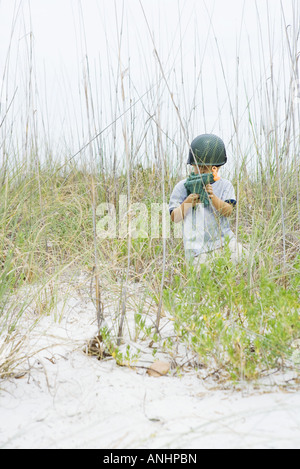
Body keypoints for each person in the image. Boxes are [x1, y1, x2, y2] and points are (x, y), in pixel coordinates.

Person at [169, 134, 248, 268]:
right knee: (204, 274)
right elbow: (175, 218)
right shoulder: (182, 186)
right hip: (197, 250)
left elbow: (228, 211)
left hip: (225, 243)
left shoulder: (225, 185)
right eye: (197, 167)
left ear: (217, 167)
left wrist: (213, 197)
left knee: (247, 260)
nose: (201, 171)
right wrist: (187, 202)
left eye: (206, 168)